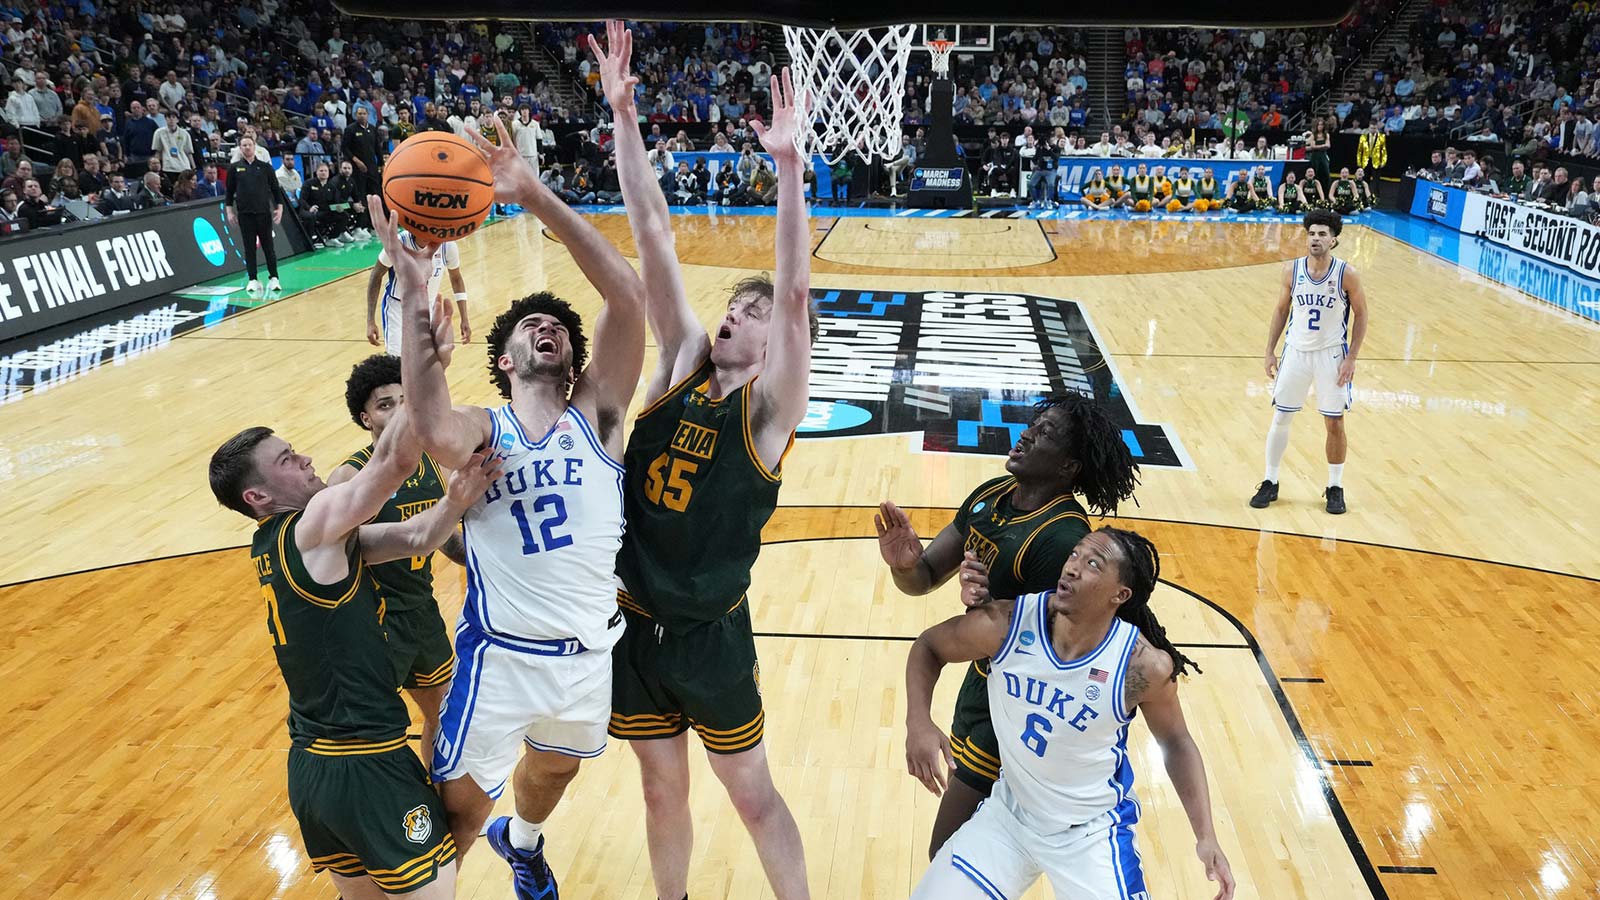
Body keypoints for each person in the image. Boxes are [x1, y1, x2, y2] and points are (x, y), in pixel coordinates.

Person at [383, 105, 648, 899]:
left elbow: (628, 297)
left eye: (560, 327)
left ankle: (524, 841)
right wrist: (414, 292)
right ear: (501, 358)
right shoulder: (480, 429)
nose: (550, 328)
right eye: (532, 325)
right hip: (503, 658)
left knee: (557, 771)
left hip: (591, 656)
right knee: (459, 815)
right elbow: (426, 416)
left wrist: (532, 193)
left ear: (572, 357)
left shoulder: (598, 417)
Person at [590, 22, 813, 900]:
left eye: (750, 314)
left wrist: (789, 168)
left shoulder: (768, 415)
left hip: (712, 632)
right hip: (635, 621)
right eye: (734, 305)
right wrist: (623, 111)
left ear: (773, 346)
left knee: (751, 794)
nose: (735, 315)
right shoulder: (682, 358)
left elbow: (795, 295)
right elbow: (651, 228)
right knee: (658, 786)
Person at [206, 340, 497, 899]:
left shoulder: (290, 543)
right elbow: (394, 462)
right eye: (287, 460)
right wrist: (426, 372)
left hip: (313, 769)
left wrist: (456, 500)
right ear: (258, 495)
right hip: (367, 766)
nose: (306, 459)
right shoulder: (312, 526)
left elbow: (416, 536)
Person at [904, 528, 1235, 900]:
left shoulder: (1141, 668)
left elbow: (1176, 741)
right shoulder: (1006, 626)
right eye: (1075, 555)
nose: (1073, 568)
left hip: (1089, 834)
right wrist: (918, 720)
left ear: (1119, 594)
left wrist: (1206, 835)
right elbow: (929, 646)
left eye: (1093, 563)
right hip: (1011, 815)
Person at [876, 393, 1140, 858]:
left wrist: (988, 609)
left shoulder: (1061, 538)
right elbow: (922, 580)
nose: (1027, 434)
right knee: (972, 865)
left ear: (1068, 468)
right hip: (982, 686)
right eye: (1034, 424)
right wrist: (905, 564)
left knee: (948, 858)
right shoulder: (989, 497)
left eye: (1046, 434)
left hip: (1020, 709)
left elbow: (1054, 650)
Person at [327, 354, 468, 764]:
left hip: (421, 613)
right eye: (385, 404)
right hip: (372, 620)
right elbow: (330, 558)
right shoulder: (349, 477)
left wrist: (491, 563)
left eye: (406, 401)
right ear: (365, 417)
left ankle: (435, 803)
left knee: (444, 717)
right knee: (373, 734)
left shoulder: (429, 464)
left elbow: (444, 540)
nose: (400, 412)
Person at [1251, 209, 1370, 515]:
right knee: (1281, 417)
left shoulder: (1347, 274)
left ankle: (1335, 486)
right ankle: (1270, 481)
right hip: (1296, 352)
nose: (1315, 239)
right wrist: (1269, 350)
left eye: (1322, 234)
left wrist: (1352, 357)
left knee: (1334, 422)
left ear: (1334, 240)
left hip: (1331, 354)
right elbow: (1280, 311)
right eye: (1312, 233)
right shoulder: (1292, 270)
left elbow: (1362, 315)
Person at [366, 228, 470, 358]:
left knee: (425, 360)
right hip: (398, 307)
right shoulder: (398, 243)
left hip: (428, 307)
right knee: (397, 360)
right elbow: (376, 275)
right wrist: (370, 320)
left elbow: (456, 278)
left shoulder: (447, 246)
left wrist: (464, 318)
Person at [225, 135, 287, 295]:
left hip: (263, 214)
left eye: (249, 145)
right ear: (240, 148)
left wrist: (279, 208)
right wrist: (229, 210)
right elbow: (229, 191)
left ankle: (274, 278)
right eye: (243, 145)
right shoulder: (234, 168)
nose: (247, 147)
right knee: (249, 248)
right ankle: (253, 279)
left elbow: (275, 189)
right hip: (245, 215)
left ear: (254, 147)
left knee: (269, 248)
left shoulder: (265, 167)